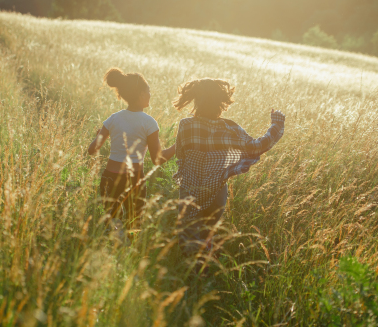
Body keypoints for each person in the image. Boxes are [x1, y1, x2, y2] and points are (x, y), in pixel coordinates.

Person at [172, 78, 285, 254]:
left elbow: (180, 154)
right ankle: (204, 270)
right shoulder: (229, 128)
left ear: (197, 101)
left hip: (189, 190)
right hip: (216, 191)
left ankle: (188, 273)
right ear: (221, 103)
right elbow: (257, 146)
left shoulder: (185, 125)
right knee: (207, 234)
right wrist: (276, 124)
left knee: (188, 235)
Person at [88, 68, 175, 229]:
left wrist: (100, 135)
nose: (150, 94)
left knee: (113, 225)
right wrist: (178, 145)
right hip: (133, 179)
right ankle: (128, 250)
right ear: (142, 94)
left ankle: (114, 249)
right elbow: (158, 159)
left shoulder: (113, 119)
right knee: (134, 224)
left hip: (109, 178)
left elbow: (92, 149)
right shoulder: (149, 122)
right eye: (148, 91)